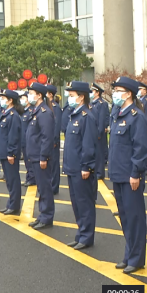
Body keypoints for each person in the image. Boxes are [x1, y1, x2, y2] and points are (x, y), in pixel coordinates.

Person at [109, 76, 147, 274]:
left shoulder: (136, 116)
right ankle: (129, 254)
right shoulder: (118, 114)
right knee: (125, 218)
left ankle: (137, 258)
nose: (115, 94)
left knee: (134, 218)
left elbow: (141, 148)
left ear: (128, 94)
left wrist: (136, 173)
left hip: (130, 176)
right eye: (115, 90)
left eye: (118, 90)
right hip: (118, 174)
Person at [64, 81, 98, 250]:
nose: (69, 98)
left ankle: (86, 237)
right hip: (72, 167)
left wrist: (86, 166)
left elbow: (88, 145)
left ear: (81, 96)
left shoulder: (87, 117)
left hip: (81, 168)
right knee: (76, 204)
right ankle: (81, 233)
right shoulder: (74, 115)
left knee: (85, 203)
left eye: (71, 95)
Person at [27, 83, 56, 230]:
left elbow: (46, 137)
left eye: (31, 93)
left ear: (39, 95)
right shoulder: (37, 111)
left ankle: (47, 216)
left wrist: (44, 156)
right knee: (41, 187)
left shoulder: (44, 112)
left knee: (45, 188)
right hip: (35, 155)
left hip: (40, 157)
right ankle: (42, 215)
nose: (29, 96)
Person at [0, 90, 23, 213]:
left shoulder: (13, 116)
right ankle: (10, 203)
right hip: (3, 152)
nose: (1, 100)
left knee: (13, 180)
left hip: (9, 154)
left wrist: (11, 153)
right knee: (9, 181)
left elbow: (13, 137)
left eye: (3, 98)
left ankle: (14, 206)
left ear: (10, 100)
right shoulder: (4, 113)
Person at [90, 83, 109, 180]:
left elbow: (101, 119)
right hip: (92, 131)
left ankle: (100, 172)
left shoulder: (102, 103)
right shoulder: (92, 103)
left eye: (92, 91)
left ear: (97, 93)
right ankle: (95, 170)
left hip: (98, 132)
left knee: (100, 153)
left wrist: (99, 132)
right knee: (94, 153)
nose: (91, 93)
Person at [46, 85, 62, 196]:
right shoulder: (46, 106)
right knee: (48, 164)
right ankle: (49, 185)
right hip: (47, 140)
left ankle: (54, 186)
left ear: (51, 94)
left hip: (53, 141)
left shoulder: (55, 107)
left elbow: (57, 125)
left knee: (55, 164)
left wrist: (55, 140)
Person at [20, 92, 36, 187]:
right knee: (26, 161)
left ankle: (31, 178)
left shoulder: (31, 111)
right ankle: (29, 177)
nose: (21, 100)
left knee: (29, 161)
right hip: (23, 140)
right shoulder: (24, 111)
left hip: (28, 141)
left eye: (23, 98)